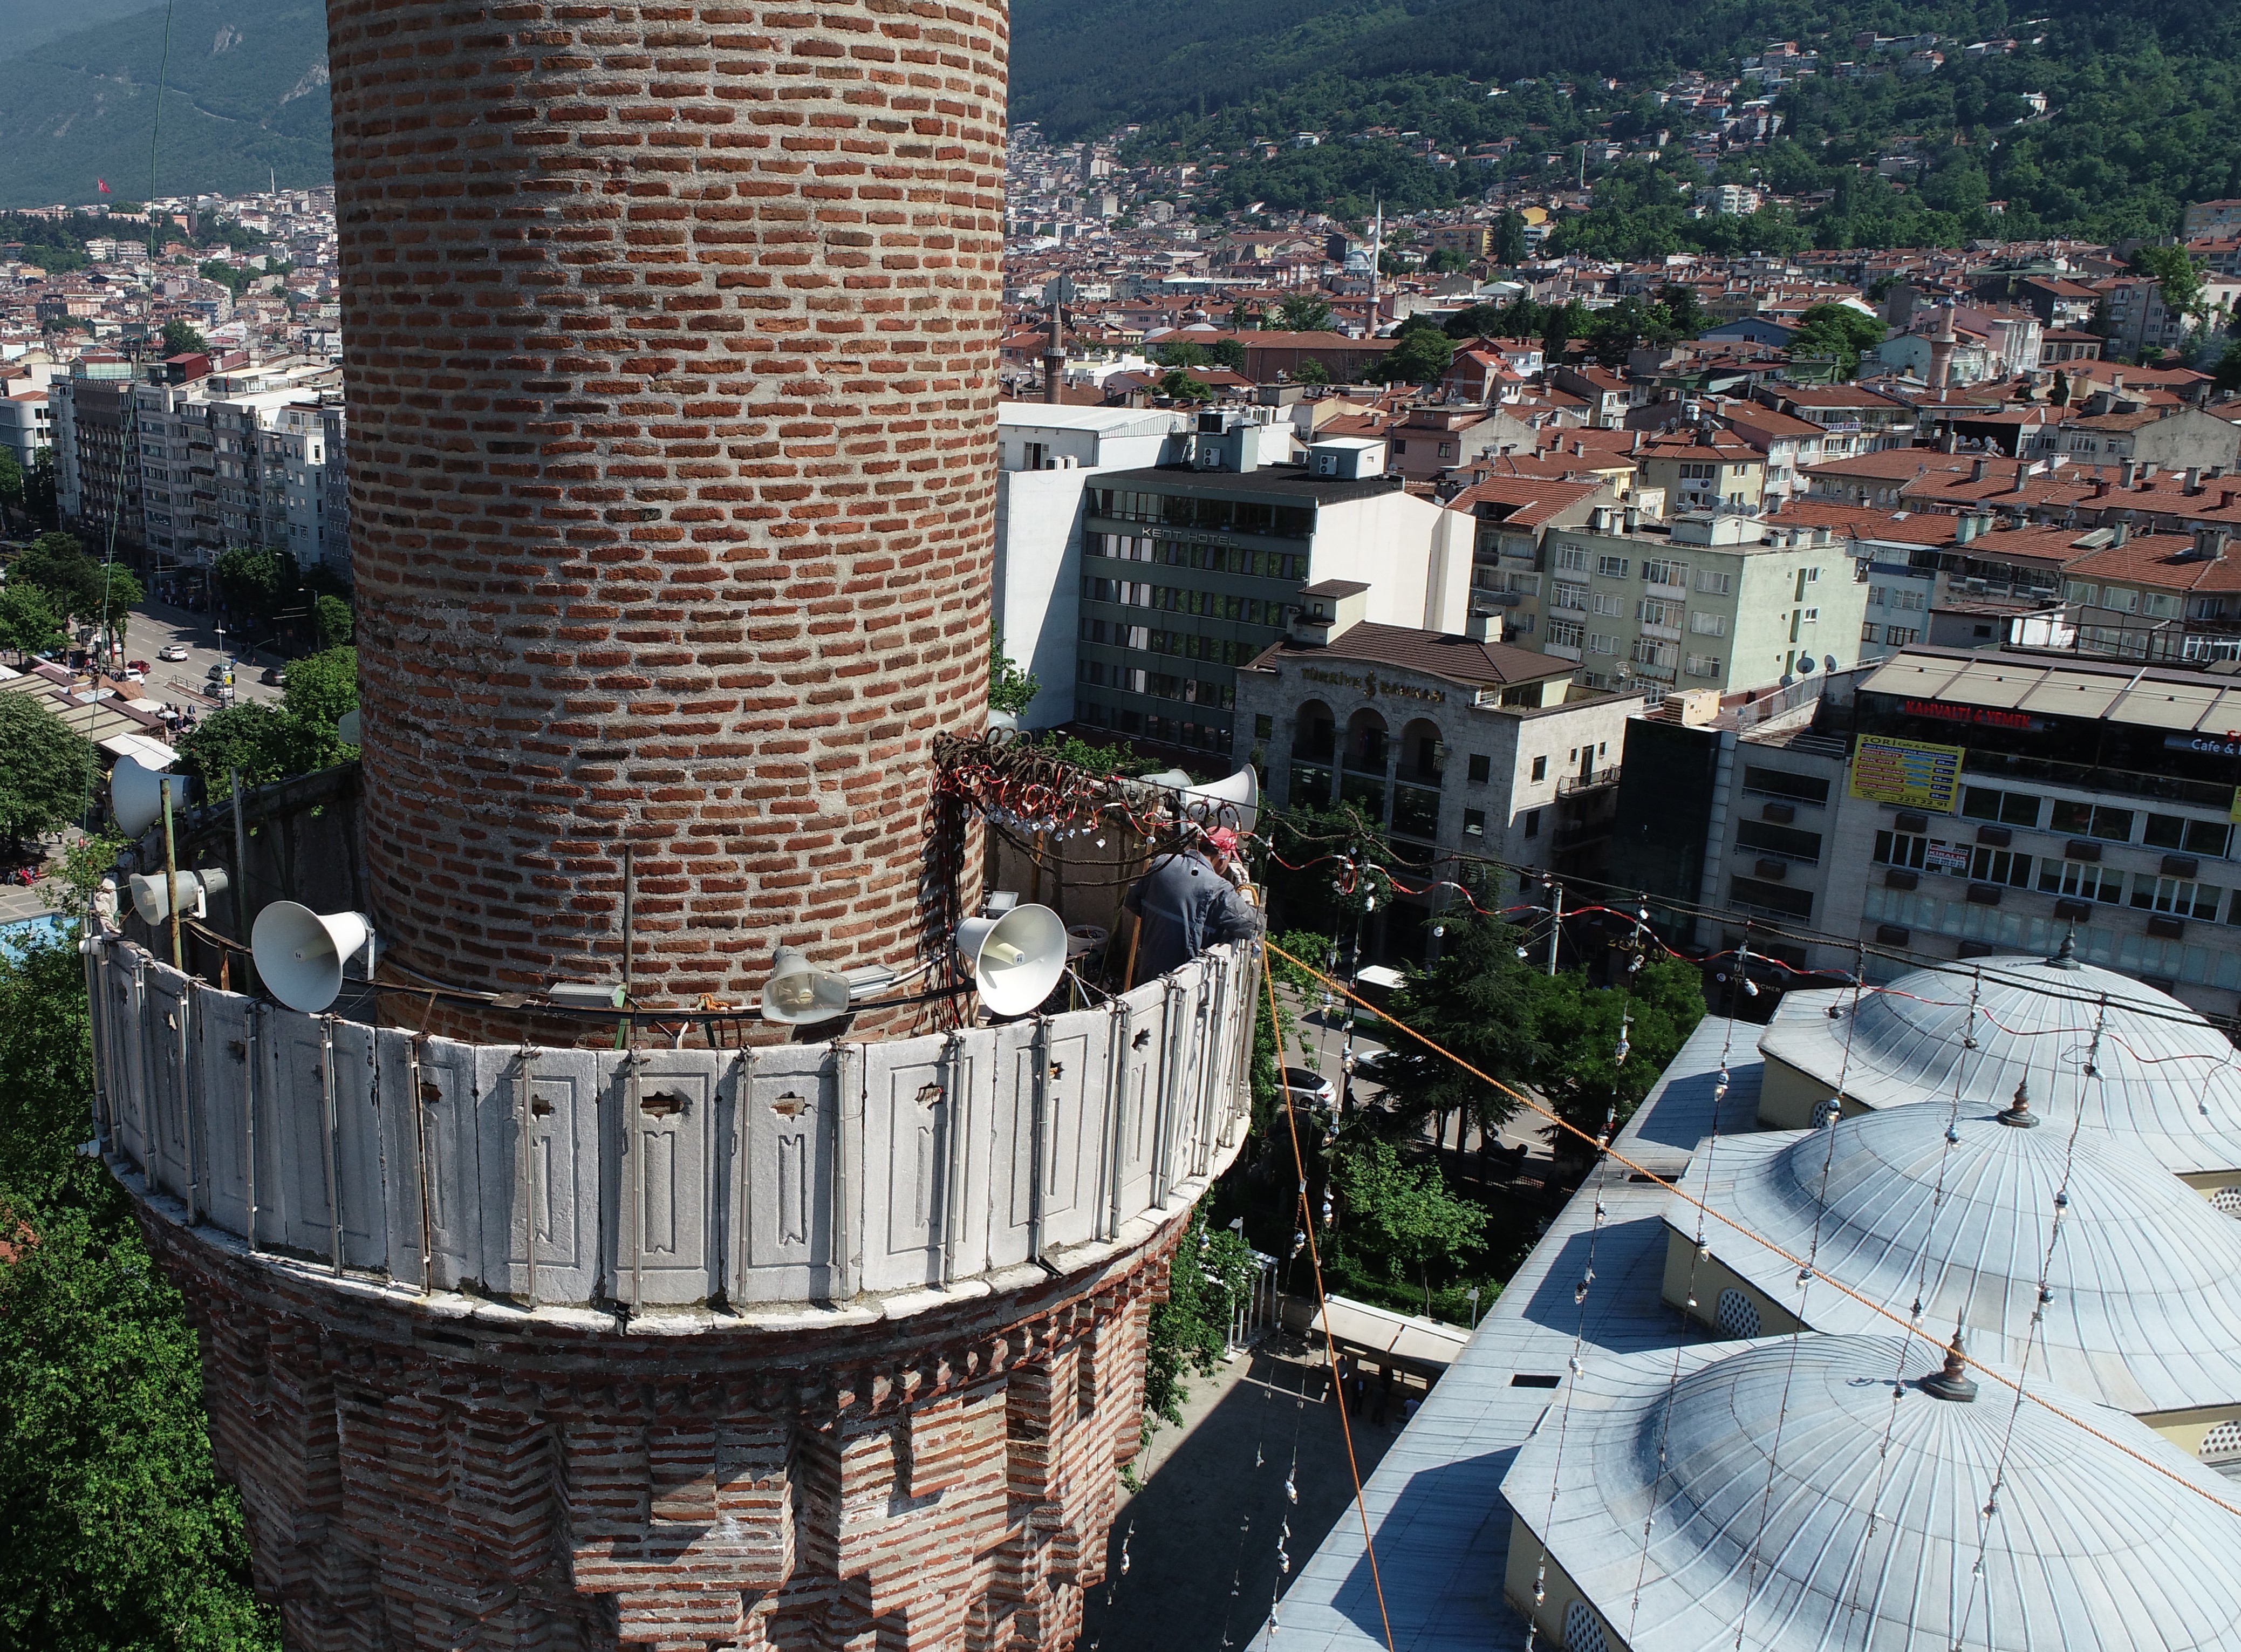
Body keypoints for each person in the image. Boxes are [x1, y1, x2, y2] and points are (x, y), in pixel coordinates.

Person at [1123, 825, 1263, 982]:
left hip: (1147, 973)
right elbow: (1253, 925)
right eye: (1231, 856)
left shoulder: (1163, 862)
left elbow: (1132, 901)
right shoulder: (1218, 887)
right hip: (1181, 983)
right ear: (1223, 853)